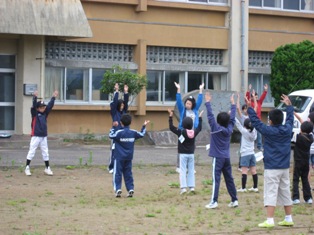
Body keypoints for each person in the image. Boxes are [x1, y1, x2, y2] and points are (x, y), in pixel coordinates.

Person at [247, 94, 294, 228]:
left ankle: (270, 220)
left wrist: (250, 108)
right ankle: (288, 218)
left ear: (271, 120)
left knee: (271, 192)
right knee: (285, 191)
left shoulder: (268, 130)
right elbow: (290, 119)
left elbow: (256, 122)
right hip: (284, 167)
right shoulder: (287, 129)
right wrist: (289, 106)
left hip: (272, 167)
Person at [204, 91, 238, 209]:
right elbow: (232, 119)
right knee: (229, 178)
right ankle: (234, 199)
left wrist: (208, 102)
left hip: (218, 158)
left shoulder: (215, 128)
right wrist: (233, 105)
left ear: (218, 121)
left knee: (216, 179)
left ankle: (214, 201)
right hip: (226, 157)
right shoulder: (229, 128)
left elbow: (210, 116)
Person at [109, 113, 149, 198]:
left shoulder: (119, 133)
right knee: (128, 173)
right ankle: (130, 188)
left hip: (119, 157)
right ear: (130, 122)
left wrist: (113, 127)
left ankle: (118, 189)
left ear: (121, 123)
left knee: (117, 173)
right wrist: (144, 126)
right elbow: (141, 134)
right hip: (129, 157)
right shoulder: (133, 132)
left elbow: (111, 135)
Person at [168, 108, 203, 195]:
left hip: (182, 154)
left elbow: (171, 128)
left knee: (183, 171)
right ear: (191, 125)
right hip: (191, 154)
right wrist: (200, 118)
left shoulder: (181, 132)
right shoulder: (194, 132)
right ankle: (192, 187)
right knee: (191, 170)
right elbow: (199, 128)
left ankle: (183, 188)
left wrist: (170, 117)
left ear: (183, 124)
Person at [24, 90, 59, 176]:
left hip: (43, 136)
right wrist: (35, 97)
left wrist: (53, 97)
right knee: (32, 151)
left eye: (43, 107)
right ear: (37, 108)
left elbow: (50, 106)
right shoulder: (35, 114)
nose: (43, 108)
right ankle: (27, 167)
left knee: (45, 152)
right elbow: (34, 105)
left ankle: (47, 168)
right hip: (35, 136)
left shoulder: (45, 114)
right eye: (41, 107)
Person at [174, 82, 204, 173]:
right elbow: (179, 101)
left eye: (189, 104)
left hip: (191, 132)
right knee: (181, 148)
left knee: (191, 148)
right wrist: (178, 89)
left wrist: (201, 90)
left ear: (192, 105)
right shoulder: (183, 110)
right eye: (186, 103)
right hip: (182, 131)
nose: (187, 105)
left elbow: (199, 100)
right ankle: (179, 166)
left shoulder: (195, 110)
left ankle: (190, 167)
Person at [108, 83, 129, 173]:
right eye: (120, 106)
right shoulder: (114, 112)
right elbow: (115, 102)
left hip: (123, 133)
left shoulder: (124, 112)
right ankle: (111, 167)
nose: (122, 107)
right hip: (116, 133)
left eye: (123, 106)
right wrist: (116, 91)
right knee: (114, 150)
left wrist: (126, 92)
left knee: (123, 151)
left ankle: (122, 167)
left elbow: (126, 101)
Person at [291, 121, 313, 205]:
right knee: (305, 179)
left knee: (296, 179)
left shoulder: (298, 137)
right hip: (306, 161)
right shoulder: (311, 137)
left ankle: (296, 198)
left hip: (298, 161)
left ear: (301, 129)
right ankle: (308, 198)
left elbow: (292, 141)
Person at [235, 117, 258, 193]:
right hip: (252, 153)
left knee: (244, 171)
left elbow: (238, 124)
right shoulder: (254, 132)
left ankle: (243, 187)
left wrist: (233, 117)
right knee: (253, 171)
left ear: (245, 126)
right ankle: (255, 187)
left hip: (245, 154)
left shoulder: (244, 132)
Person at [245, 83, 268, 151]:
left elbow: (262, 97)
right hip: (251, 120)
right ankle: (249, 146)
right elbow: (247, 97)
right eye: (255, 97)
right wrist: (248, 90)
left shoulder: (259, 102)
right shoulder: (250, 103)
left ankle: (259, 146)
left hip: (258, 120)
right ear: (251, 97)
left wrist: (265, 90)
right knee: (249, 133)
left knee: (259, 133)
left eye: (257, 97)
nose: (256, 98)